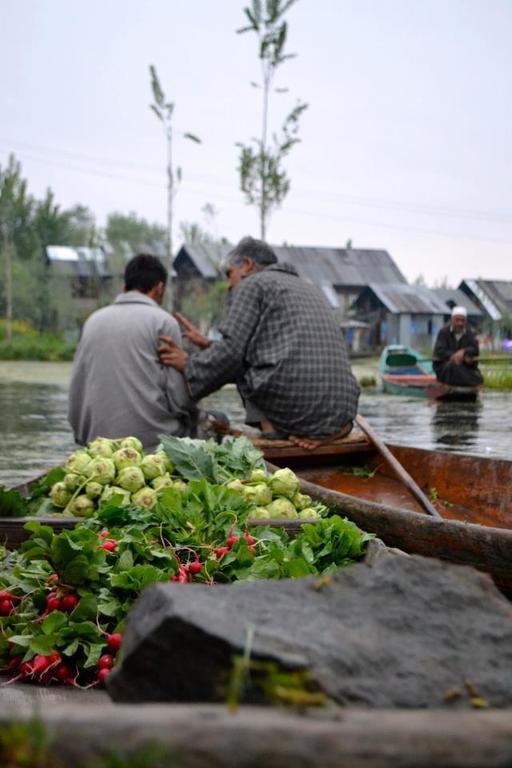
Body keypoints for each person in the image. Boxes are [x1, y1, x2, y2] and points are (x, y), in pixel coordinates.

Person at [157, 236, 359, 448]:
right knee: (249, 361)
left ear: (247, 265)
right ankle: (330, 431)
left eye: (229, 274)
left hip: (301, 415)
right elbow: (265, 348)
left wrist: (187, 364)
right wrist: (208, 344)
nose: (228, 285)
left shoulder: (251, 284)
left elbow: (233, 355)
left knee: (239, 367)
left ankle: (273, 431)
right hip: (342, 414)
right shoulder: (307, 287)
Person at [68, 253, 197, 449]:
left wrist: (82, 436)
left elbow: (76, 391)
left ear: (124, 286)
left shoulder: (93, 321)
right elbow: (179, 402)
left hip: (97, 442)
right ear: (160, 288)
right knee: (206, 423)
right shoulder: (163, 322)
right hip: (152, 442)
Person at [432, 306, 483, 387]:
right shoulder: (443, 332)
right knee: (454, 367)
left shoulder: (470, 333)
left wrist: (463, 352)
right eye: (457, 320)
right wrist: (454, 356)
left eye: (462, 321)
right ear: (452, 319)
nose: (460, 323)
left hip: (464, 367)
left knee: (475, 374)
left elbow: (474, 349)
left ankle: (471, 384)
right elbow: (440, 351)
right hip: (446, 368)